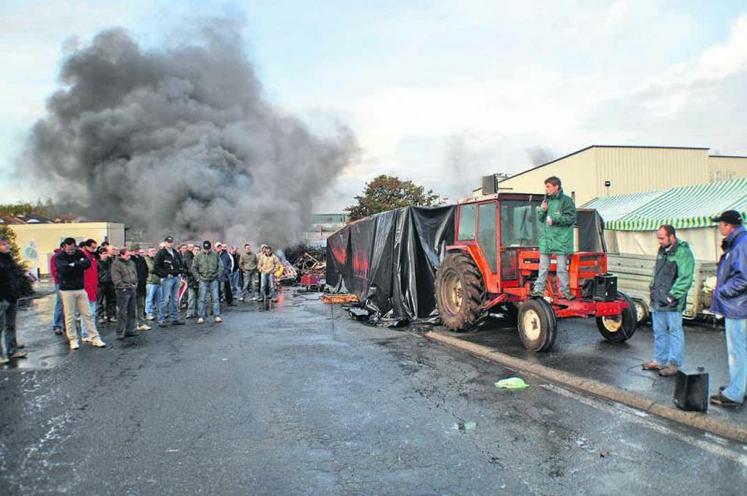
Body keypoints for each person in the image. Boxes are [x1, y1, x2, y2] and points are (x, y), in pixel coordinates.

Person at [642, 225, 695, 377]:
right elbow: (656, 271)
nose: (659, 241)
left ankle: (674, 364)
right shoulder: (662, 250)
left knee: (674, 332)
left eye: (662, 238)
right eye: (658, 238)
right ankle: (659, 360)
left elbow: (685, 278)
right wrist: (652, 287)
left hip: (672, 302)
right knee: (659, 331)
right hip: (658, 299)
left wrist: (672, 296)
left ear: (671, 236)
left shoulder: (683, 252)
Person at [709, 210, 747, 408]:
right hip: (741, 306)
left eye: (720, 223)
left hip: (738, 307)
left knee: (737, 351)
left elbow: (744, 278)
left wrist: (722, 291)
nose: (718, 227)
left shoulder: (740, 244)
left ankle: (734, 393)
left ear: (729, 225)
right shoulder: (740, 241)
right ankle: (741, 387)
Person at [531, 176, 577, 300]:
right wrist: (542, 210)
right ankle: (538, 290)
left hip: (560, 239)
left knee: (561, 268)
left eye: (548, 187)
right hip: (547, 239)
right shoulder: (547, 201)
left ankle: (565, 291)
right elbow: (541, 218)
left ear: (556, 187)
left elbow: (572, 218)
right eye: (546, 187)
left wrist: (555, 219)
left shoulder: (566, 201)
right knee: (543, 267)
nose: (546, 189)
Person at [55, 238, 106, 350]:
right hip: (67, 290)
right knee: (70, 316)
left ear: (75, 246)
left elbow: (86, 264)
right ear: (64, 247)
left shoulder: (79, 252)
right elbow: (63, 270)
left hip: (80, 288)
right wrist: (77, 265)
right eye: (68, 249)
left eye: (72, 249)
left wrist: (73, 264)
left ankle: (95, 337)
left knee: (88, 314)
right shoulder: (59, 257)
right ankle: (73, 339)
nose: (71, 251)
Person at [0, 236, 26, 363]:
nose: (7, 246)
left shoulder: (8, 259)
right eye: (3, 244)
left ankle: (12, 350)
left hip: (12, 296)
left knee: (10, 325)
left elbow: (15, 275)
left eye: (7, 244)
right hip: (2, 298)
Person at [154, 236, 185, 328]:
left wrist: (180, 272)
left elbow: (180, 263)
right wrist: (165, 274)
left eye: (171, 242)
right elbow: (156, 267)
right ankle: (161, 320)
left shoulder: (175, 252)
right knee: (165, 300)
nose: (170, 243)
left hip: (176, 278)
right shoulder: (161, 253)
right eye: (168, 242)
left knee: (175, 300)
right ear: (165, 243)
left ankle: (175, 318)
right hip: (167, 278)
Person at [192, 240, 224, 324]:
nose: (207, 250)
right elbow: (194, 267)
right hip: (203, 280)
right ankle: (201, 316)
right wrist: (198, 278)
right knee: (202, 299)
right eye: (205, 249)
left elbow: (220, 266)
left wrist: (218, 276)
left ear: (210, 248)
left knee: (216, 299)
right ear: (203, 248)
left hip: (213, 280)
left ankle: (217, 316)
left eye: (208, 248)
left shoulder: (215, 255)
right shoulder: (198, 256)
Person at [111, 248, 139, 340]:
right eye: (127, 255)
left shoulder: (132, 263)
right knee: (122, 312)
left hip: (132, 288)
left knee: (132, 311)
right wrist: (122, 287)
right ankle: (120, 332)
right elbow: (116, 278)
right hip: (122, 290)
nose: (129, 257)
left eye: (129, 255)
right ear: (122, 255)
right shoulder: (116, 264)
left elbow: (135, 274)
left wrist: (135, 283)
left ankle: (130, 330)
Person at [80, 239, 100, 342]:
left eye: (95, 247)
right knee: (87, 313)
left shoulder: (92, 257)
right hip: (87, 287)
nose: (94, 249)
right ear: (86, 246)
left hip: (93, 287)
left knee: (91, 312)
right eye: (92, 247)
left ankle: (89, 332)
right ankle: (85, 333)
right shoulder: (83, 256)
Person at [130, 244, 151, 331]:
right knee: (133, 306)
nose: (137, 251)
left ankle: (141, 323)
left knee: (141, 305)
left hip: (142, 285)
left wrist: (144, 278)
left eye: (137, 250)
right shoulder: (130, 259)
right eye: (135, 250)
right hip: (133, 285)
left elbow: (146, 270)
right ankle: (134, 324)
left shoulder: (141, 259)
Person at [96, 246, 117, 324]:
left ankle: (110, 316)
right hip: (101, 284)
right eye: (103, 254)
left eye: (106, 253)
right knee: (100, 301)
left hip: (110, 283)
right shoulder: (97, 262)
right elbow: (96, 273)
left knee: (111, 300)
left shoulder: (111, 261)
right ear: (100, 254)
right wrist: (98, 281)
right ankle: (100, 316)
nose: (105, 255)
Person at [49, 243, 65, 335]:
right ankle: (57, 325)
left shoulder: (68, 256)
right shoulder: (55, 257)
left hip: (69, 283)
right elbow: (54, 271)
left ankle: (66, 325)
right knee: (60, 303)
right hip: (60, 282)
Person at [180, 243, 198, 318]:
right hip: (192, 279)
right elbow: (189, 268)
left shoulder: (197, 257)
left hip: (197, 279)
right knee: (191, 297)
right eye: (191, 247)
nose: (195, 250)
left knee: (197, 297)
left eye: (197, 249)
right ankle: (190, 313)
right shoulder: (188, 256)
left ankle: (196, 312)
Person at [144, 247, 161, 321]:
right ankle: (148, 313)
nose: (153, 252)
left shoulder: (156, 259)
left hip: (158, 281)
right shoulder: (146, 259)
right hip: (150, 281)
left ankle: (160, 313)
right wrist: (159, 269)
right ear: (147, 252)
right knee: (149, 299)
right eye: (151, 251)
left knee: (160, 299)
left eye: (154, 251)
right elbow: (151, 268)